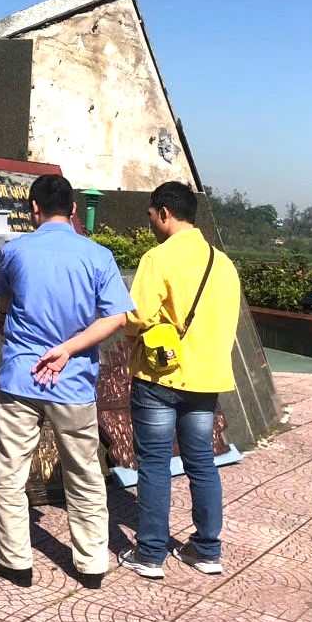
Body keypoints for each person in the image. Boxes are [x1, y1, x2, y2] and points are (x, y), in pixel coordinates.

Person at [0, 174, 134, 589]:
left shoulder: (14, 251)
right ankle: (90, 564)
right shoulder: (98, 256)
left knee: (10, 471)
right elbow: (116, 317)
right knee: (85, 473)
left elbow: (4, 306)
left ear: (33, 209)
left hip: (21, 379)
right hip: (72, 383)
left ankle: (16, 562)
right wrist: (69, 349)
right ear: (73, 209)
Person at [118, 182, 241, 579]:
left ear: (165, 213)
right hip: (206, 380)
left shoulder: (159, 258)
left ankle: (151, 553)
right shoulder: (223, 264)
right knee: (202, 462)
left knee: (154, 463)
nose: (151, 221)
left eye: (151, 215)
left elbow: (136, 317)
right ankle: (207, 549)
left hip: (160, 375)